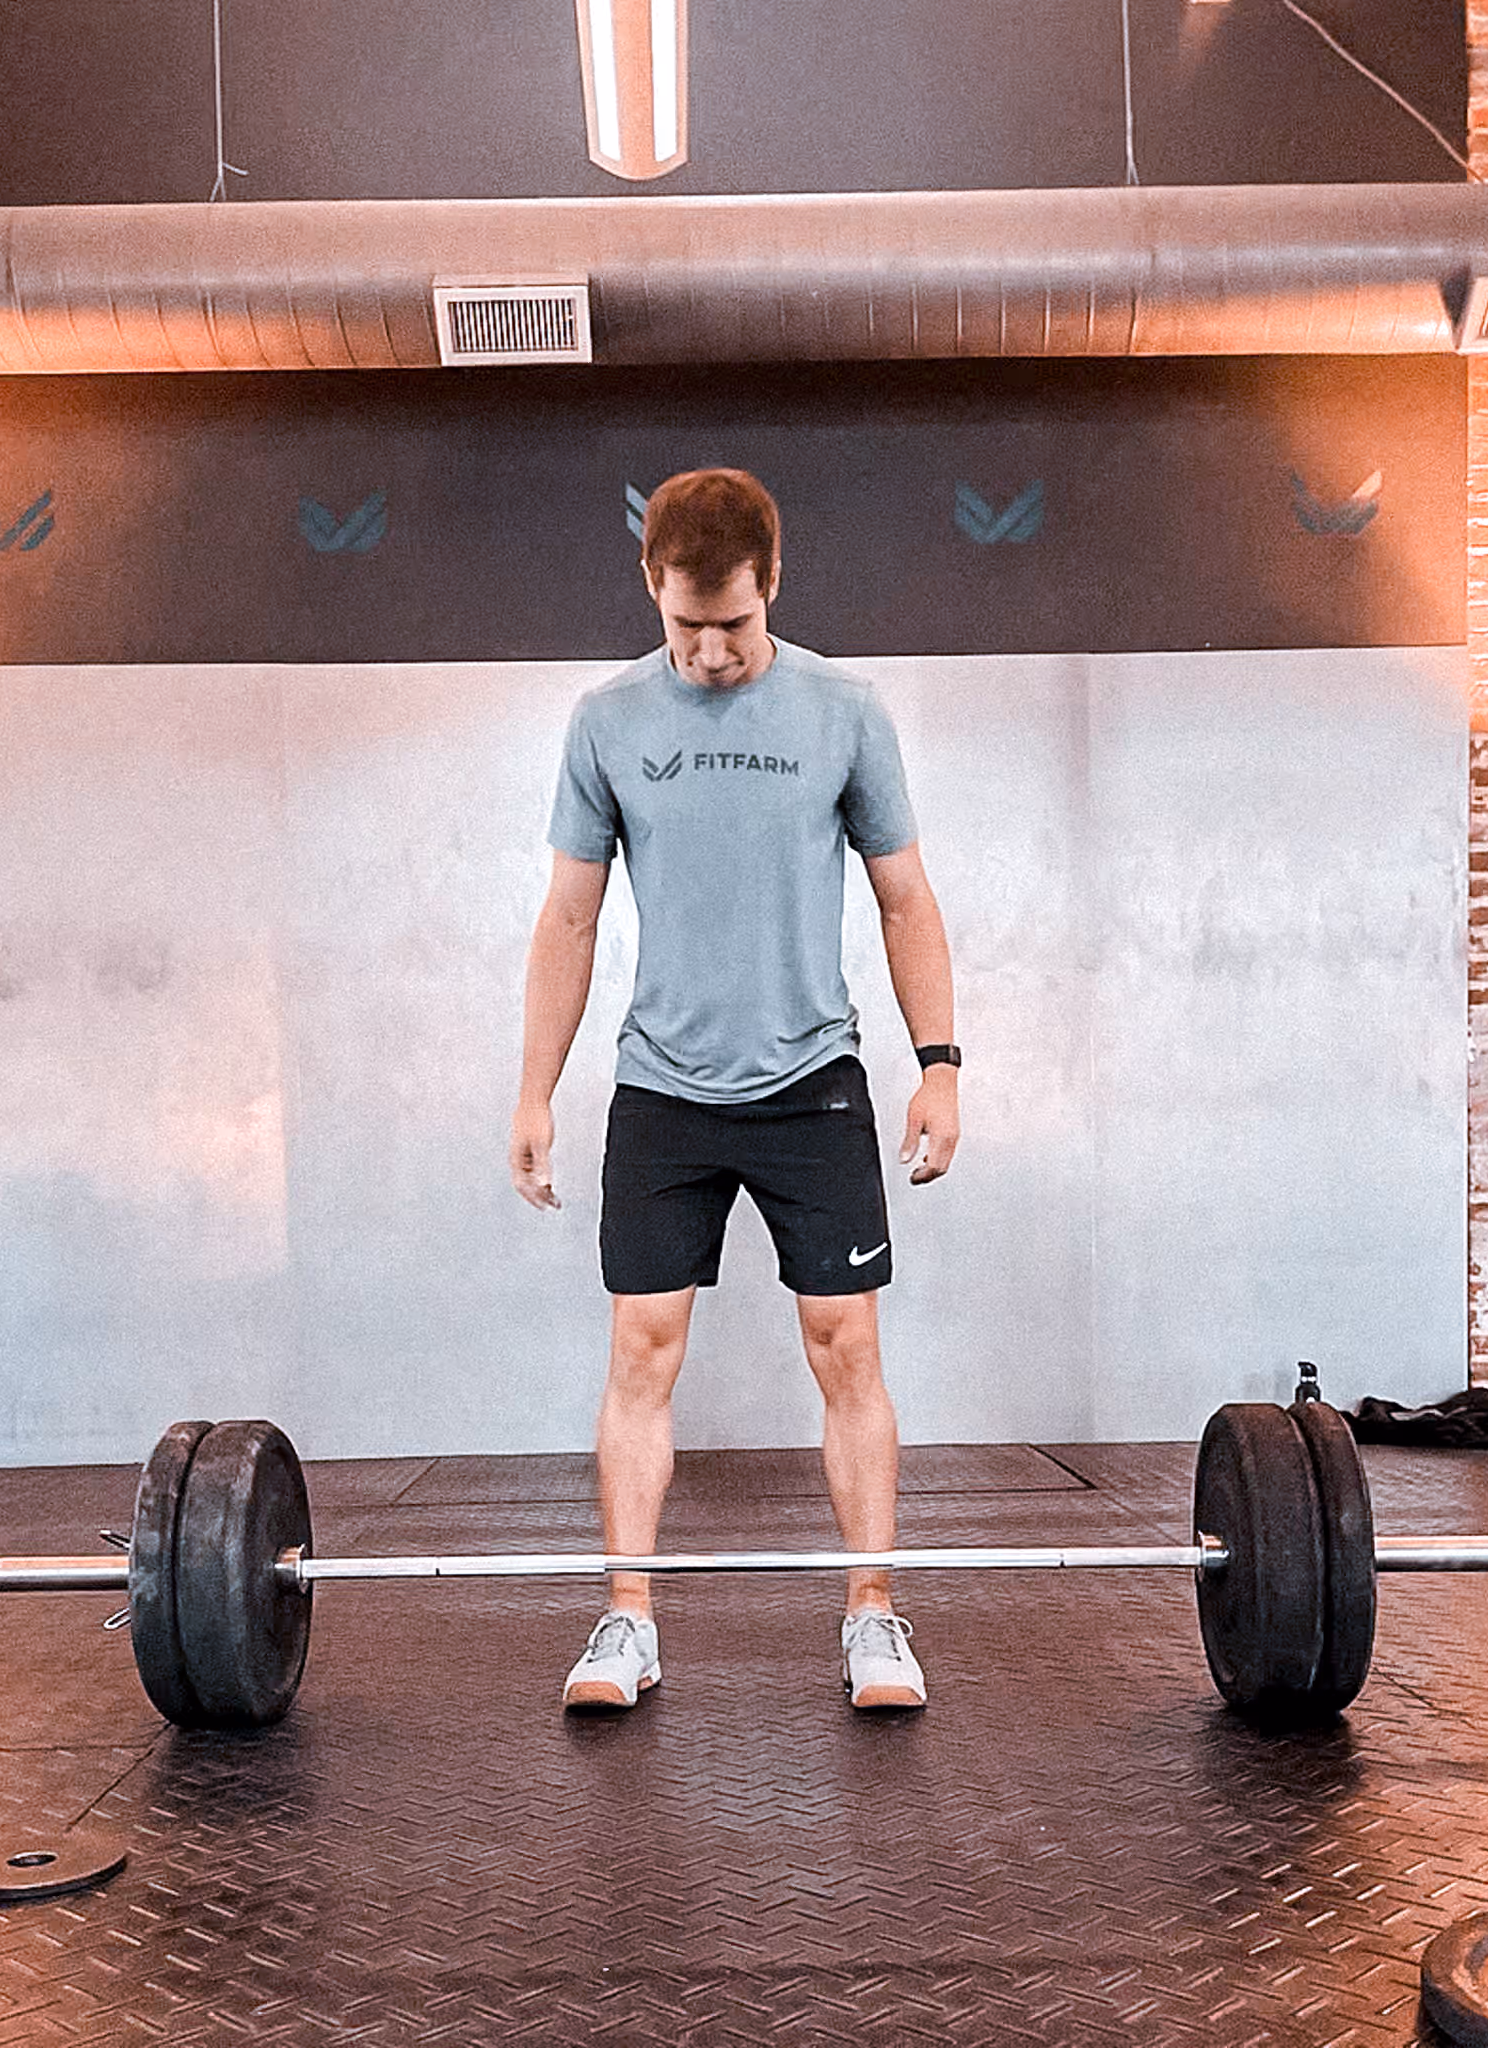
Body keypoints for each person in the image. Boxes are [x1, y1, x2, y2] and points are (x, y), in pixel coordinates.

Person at [509, 467, 959, 1714]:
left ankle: (872, 1614)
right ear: (650, 588)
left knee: (846, 1344)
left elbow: (904, 894)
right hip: (661, 1087)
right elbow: (568, 913)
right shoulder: (604, 721)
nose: (709, 652)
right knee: (640, 1352)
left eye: (735, 626)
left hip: (811, 1079)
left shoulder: (845, 710)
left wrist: (938, 1063)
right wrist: (535, 1088)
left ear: (773, 584)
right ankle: (626, 1620)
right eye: (685, 626)